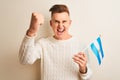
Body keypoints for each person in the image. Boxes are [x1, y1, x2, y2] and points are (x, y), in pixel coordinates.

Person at [19, 4, 92, 80]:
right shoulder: (43, 44)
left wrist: (83, 69)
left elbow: (88, 78)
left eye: (64, 21)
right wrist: (31, 31)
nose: (60, 26)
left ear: (69, 23)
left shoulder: (80, 45)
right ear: (51, 23)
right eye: (57, 22)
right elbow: (24, 60)